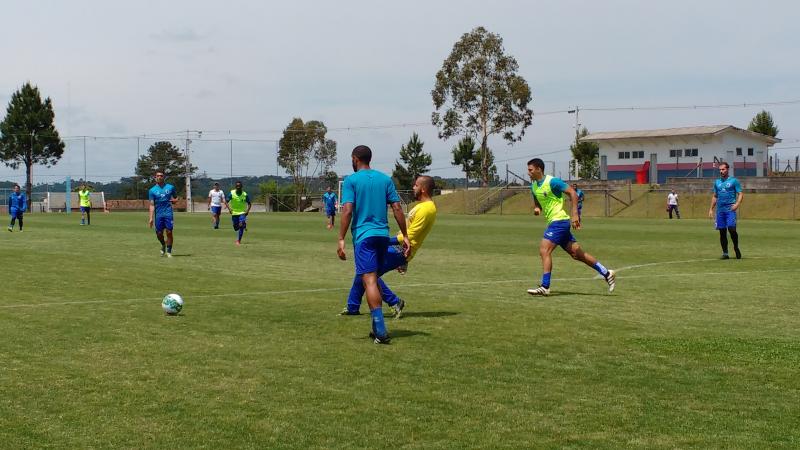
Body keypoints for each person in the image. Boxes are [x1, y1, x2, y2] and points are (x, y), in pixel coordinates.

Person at [337, 145, 409, 344]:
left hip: (364, 237)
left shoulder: (351, 180)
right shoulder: (385, 179)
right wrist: (405, 235)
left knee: (368, 280)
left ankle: (381, 331)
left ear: (355, 159)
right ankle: (377, 326)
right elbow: (397, 208)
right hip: (382, 236)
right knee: (373, 278)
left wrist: (341, 238)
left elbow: (348, 210)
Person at [340, 175, 437, 318]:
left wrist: (387, 241)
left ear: (423, 189)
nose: (413, 188)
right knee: (364, 270)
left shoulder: (427, 209)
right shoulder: (422, 206)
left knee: (368, 273)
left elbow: (411, 236)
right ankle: (352, 307)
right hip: (400, 248)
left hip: (401, 249)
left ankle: (395, 302)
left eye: (416, 185)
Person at [526, 158, 615, 296]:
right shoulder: (534, 187)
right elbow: (537, 203)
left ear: (539, 169)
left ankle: (545, 286)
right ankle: (606, 272)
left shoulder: (552, 181)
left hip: (559, 221)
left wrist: (574, 214)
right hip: (553, 223)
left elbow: (572, 193)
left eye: (530, 170)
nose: (528, 173)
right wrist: (537, 208)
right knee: (577, 254)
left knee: (544, 251)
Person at [708, 162, 743, 259]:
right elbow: (715, 196)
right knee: (722, 232)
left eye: (723, 169)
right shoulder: (717, 182)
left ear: (727, 169)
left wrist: (737, 204)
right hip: (720, 211)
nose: (721, 171)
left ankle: (736, 247)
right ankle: (725, 253)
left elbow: (740, 194)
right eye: (720, 170)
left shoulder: (734, 181)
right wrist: (711, 209)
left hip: (730, 210)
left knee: (732, 229)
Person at [148, 171, 178, 257]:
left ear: (164, 177)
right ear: (155, 177)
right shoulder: (152, 190)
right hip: (159, 214)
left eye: (161, 176)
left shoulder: (170, 187)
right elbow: (151, 205)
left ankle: (169, 251)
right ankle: (163, 244)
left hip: (168, 213)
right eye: (158, 176)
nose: (159, 177)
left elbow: (176, 198)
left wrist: (175, 201)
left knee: (169, 232)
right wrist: (151, 218)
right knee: (159, 233)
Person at [226, 181, 252, 246]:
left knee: (241, 225)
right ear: (235, 187)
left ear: (241, 187)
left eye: (239, 186)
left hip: (242, 212)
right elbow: (226, 202)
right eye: (237, 186)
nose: (238, 187)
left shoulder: (245, 194)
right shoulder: (231, 193)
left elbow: (249, 204)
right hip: (234, 213)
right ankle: (243, 225)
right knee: (236, 228)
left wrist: (247, 211)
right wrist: (229, 209)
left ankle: (238, 241)